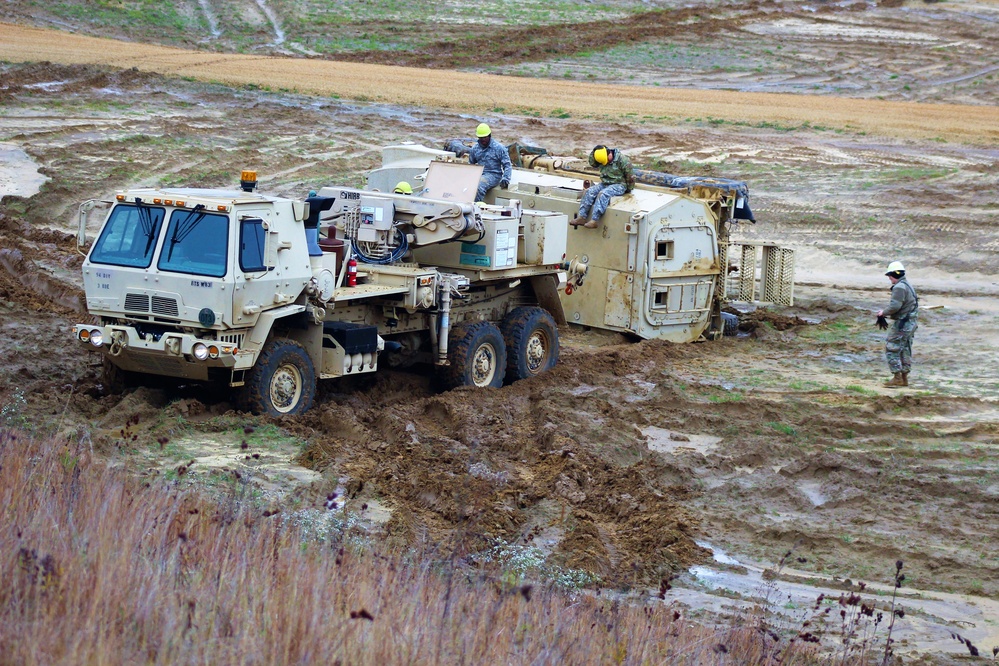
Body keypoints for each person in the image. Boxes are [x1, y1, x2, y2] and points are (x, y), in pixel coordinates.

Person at [571, 145, 635, 229]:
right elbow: (592, 163)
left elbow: (630, 176)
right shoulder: (599, 159)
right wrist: (594, 152)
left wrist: (629, 188)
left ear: (609, 154)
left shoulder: (623, 160)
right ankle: (582, 217)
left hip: (619, 184)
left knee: (603, 194)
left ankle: (594, 220)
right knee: (589, 191)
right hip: (605, 183)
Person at [878, 261, 918, 388]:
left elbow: (895, 306)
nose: (889, 278)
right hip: (910, 323)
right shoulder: (907, 285)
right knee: (905, 349)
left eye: (889, 275)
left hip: (902, 324)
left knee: (892, 348)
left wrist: (883, 313)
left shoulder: (899, 287)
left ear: (893, 274)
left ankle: (897, 377)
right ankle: (904, 378)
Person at [467, 123, 512, 202]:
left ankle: (475, 207)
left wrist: (506, 178)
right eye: (481, 138)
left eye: (485, 137)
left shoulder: (499, 148)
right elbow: (471, 165)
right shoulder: (475, 149)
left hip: (494, 175)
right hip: (479, 174)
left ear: (489, 135)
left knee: (479, 186)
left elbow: (507, 165)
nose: (483, 140)